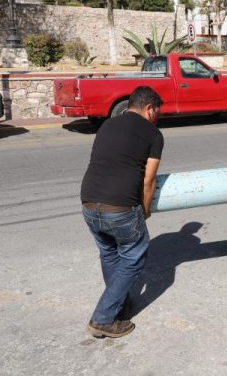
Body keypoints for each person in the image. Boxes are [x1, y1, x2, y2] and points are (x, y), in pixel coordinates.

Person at [80, 86, 164, 338]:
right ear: (149, 109)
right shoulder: (153, 134)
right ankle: (103, 319)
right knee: (134, 255)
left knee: (109, 254)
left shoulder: (107, 125)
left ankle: (119, 305)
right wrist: (145, 210)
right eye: (157, 111)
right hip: (120, 207)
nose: (157, 116)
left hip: (88, 202)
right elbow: (149, 180)